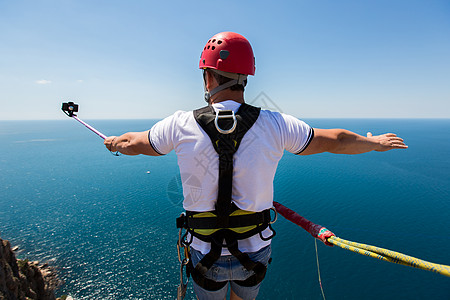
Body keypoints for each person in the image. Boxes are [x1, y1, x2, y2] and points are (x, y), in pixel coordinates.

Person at [104, 32, 407, 300]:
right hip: (254, 251)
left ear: (208, 77)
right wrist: (375, 142)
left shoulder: (180, 124)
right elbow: (336, 140)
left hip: (203, 251)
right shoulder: (276, 124)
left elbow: (135, 144)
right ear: (245, 78)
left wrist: (115, 142)